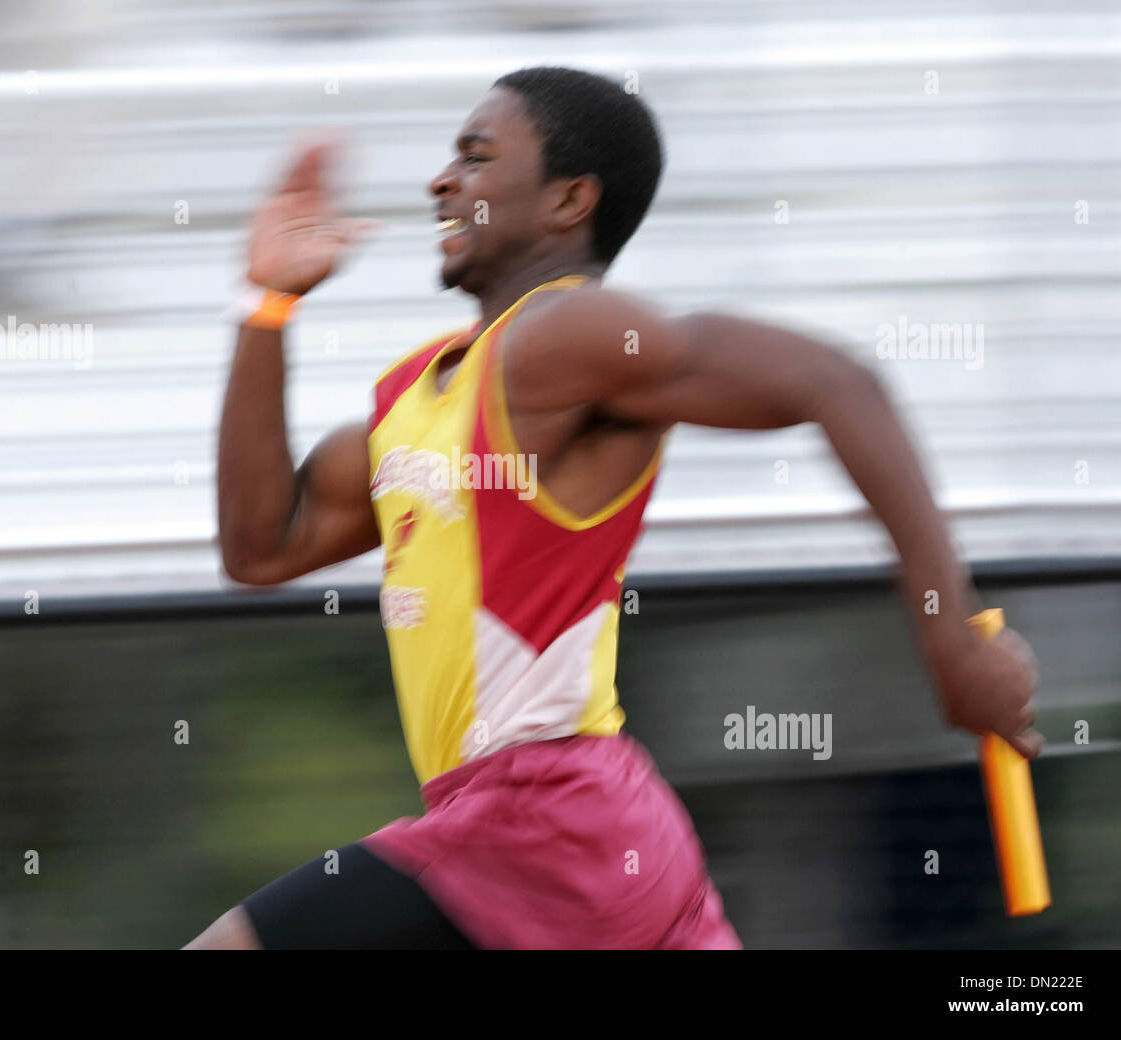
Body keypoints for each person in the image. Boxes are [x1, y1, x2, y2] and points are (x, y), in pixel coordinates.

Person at [185, 66, 1041, 950]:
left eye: (476, 158)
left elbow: (835, 381)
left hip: (549, 823)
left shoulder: (565, 338)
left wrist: (950, 634)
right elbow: (260, 548)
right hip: (557, 845)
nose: (442, 181)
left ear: (568, 201)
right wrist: (267, 305)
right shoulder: (418, 397)